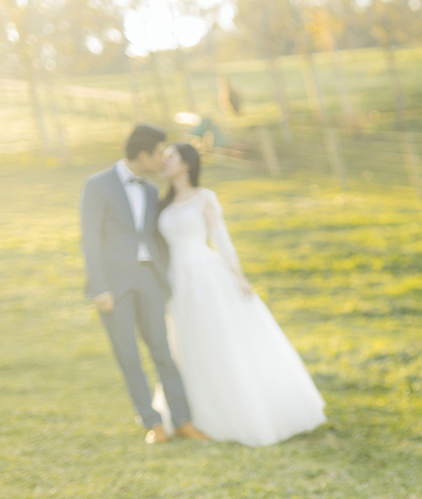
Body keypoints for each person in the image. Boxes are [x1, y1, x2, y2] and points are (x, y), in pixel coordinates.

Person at [157, 142, 326, 446]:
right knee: (188, 340)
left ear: (186, 165)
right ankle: (193, 413)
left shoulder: (203, 198)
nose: (164, 162)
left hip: (204, 274)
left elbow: (221, 238)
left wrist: (239, 277)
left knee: (218, 336)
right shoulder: (163, 204)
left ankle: (241, 410)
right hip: (177, 281)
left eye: (171, 157)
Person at [80, 124, 209, 444]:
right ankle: (153, 423)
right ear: (143, 155)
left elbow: (157, 236)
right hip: (113, 284)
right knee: (128, 355)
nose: (163, 160)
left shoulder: (152, 190)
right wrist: (100, 288)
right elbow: (90, 239)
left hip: (149, 279)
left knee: (162, 350)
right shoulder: (97, 185)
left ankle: (183, 420)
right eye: (159, 154)